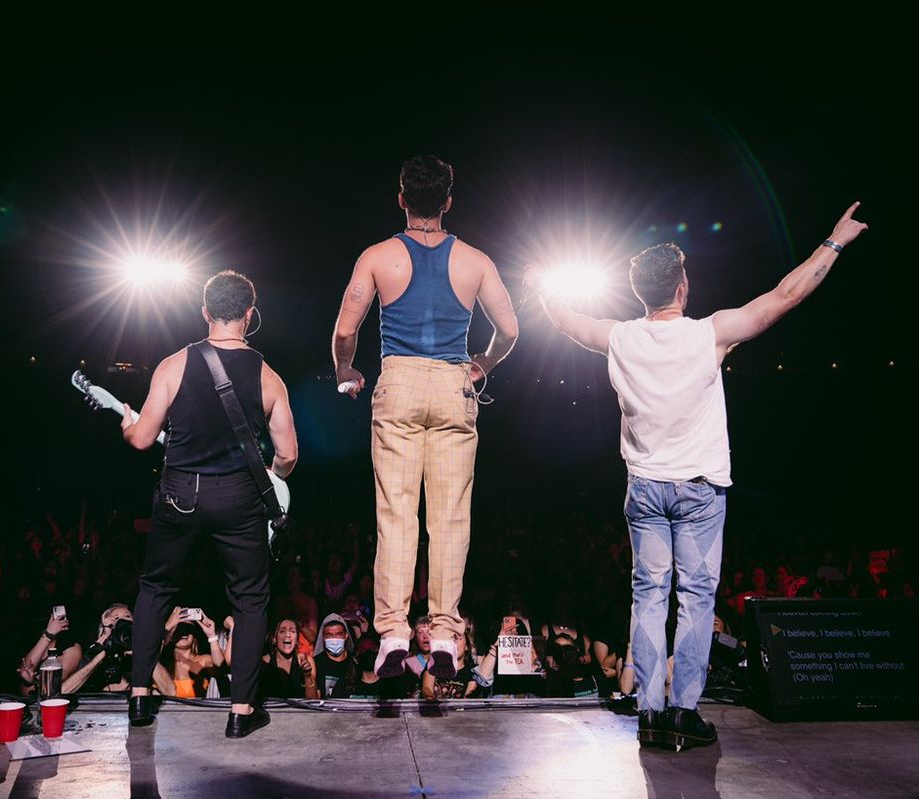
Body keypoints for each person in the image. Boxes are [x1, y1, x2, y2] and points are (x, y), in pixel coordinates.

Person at [527, 201, 867, 750]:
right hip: (700, 491)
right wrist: (835, 242)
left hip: (644, 490)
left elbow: (565, 320)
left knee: (648, 597)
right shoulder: (711, 332)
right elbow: (786, 295)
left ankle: (650, 711)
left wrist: (543, 287)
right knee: (696, 600)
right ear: (682, 287)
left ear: (642, 293)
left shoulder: (618, 336)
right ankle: (683, 710)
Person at [332, 154, 519, 680]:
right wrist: (482, 363)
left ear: (401, 198)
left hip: (400, 381)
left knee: (396, 515)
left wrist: (345, 369)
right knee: (450, 517)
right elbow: (509, 331)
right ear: (449, 201)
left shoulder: (379, 256)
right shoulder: (475, 261)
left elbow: (347, 330)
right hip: (453, 382)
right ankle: (444, 635)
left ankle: (392, 636)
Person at [120, 269, 298, 738]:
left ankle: (139, 698)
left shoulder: (173, 364)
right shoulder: (268, 375)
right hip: (238, 496)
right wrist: (273, 482)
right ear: (249, 314)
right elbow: (288, 454)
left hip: (180, 491)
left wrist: (126, 424)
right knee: (250, 597)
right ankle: (240, 711)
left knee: (156, 588)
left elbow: (141, 438)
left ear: (205, 312)